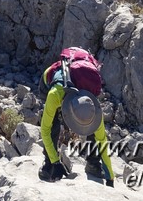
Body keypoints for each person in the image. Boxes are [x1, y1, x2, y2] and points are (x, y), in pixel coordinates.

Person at [37, 47, 115, 186]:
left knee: (92, 124)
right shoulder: (54, 95)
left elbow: (102, 140)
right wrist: (56, 161)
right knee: (53, 125)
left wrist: (110, 176)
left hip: (79, 81)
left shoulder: (91, 105)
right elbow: (45, 130)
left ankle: (93, 165)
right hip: (49, 81)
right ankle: (49, 166)